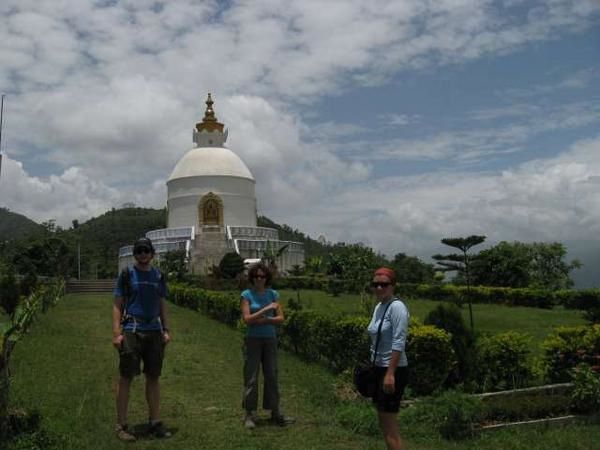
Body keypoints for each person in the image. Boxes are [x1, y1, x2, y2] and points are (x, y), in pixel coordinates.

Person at [112, 237, 172, 441]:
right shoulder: (128, 274)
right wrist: (116, 333)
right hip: (132, 328)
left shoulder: (158, 275)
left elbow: (162, 302)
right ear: (135, 254)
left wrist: (166, 328)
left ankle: (155, 421)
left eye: (146, 250)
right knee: (126, 376)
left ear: (152, 253)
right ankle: (121, 425)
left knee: (153, 376)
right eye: (139, 251)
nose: (143, 254)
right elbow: (118, 304)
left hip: (154, 329)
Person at [240, 262, 294, 429]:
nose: (259, 279)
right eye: (256, 276)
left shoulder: (273, 294)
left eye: (262, 276)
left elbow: (281, 318)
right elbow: (247, 319)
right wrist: (266, 310)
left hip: (269, 338)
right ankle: (249, 413)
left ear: (267, 278)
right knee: (252, 377)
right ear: (252, 278)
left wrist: (266, 320)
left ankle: (275, 411)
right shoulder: (246, 294)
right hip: (253, 339)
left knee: (271, 375)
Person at [367, 267, 410, 450]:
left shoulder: (397, 307)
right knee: (384, 421)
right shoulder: (379, 306)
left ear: (393, 286)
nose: (379, 288)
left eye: (383, 284)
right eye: (375, 284)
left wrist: (390, 373)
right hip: (378, 367)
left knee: (389, 424)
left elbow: (399, 342)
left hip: (392, 370)